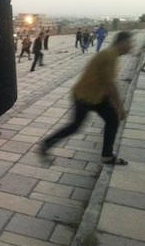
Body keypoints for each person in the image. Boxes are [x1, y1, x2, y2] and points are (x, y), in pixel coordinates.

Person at [40, 31, 134, 165]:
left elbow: (107, 84)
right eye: (130, 43)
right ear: (123, 43)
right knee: (75, 126)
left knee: (112, 120)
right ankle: (46, 143)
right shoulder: (110, 56)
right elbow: (111, 86)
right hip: (84, 96)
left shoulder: (111, 55)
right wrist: (120, 108)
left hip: (96, 96)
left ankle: (107, 155)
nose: (132, 46)